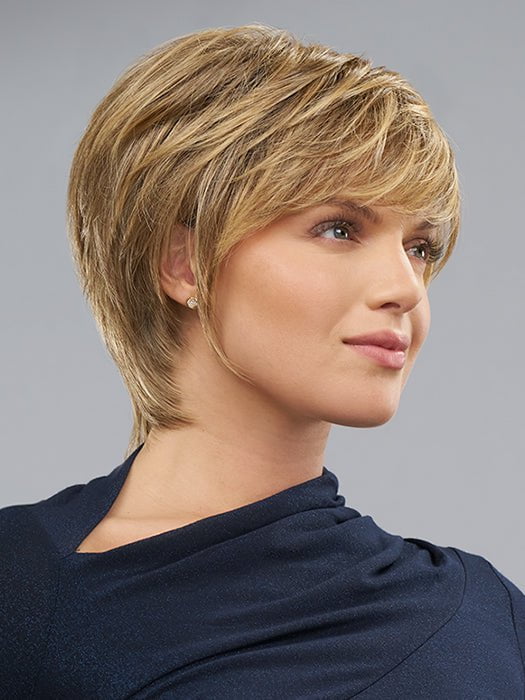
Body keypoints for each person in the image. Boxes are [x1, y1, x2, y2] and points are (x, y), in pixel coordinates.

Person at [1, 23, 523, 699]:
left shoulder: (484, 620)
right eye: (339, 229)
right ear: (183, 262)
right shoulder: (18, 586)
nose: (405, 288)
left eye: (418, 248)